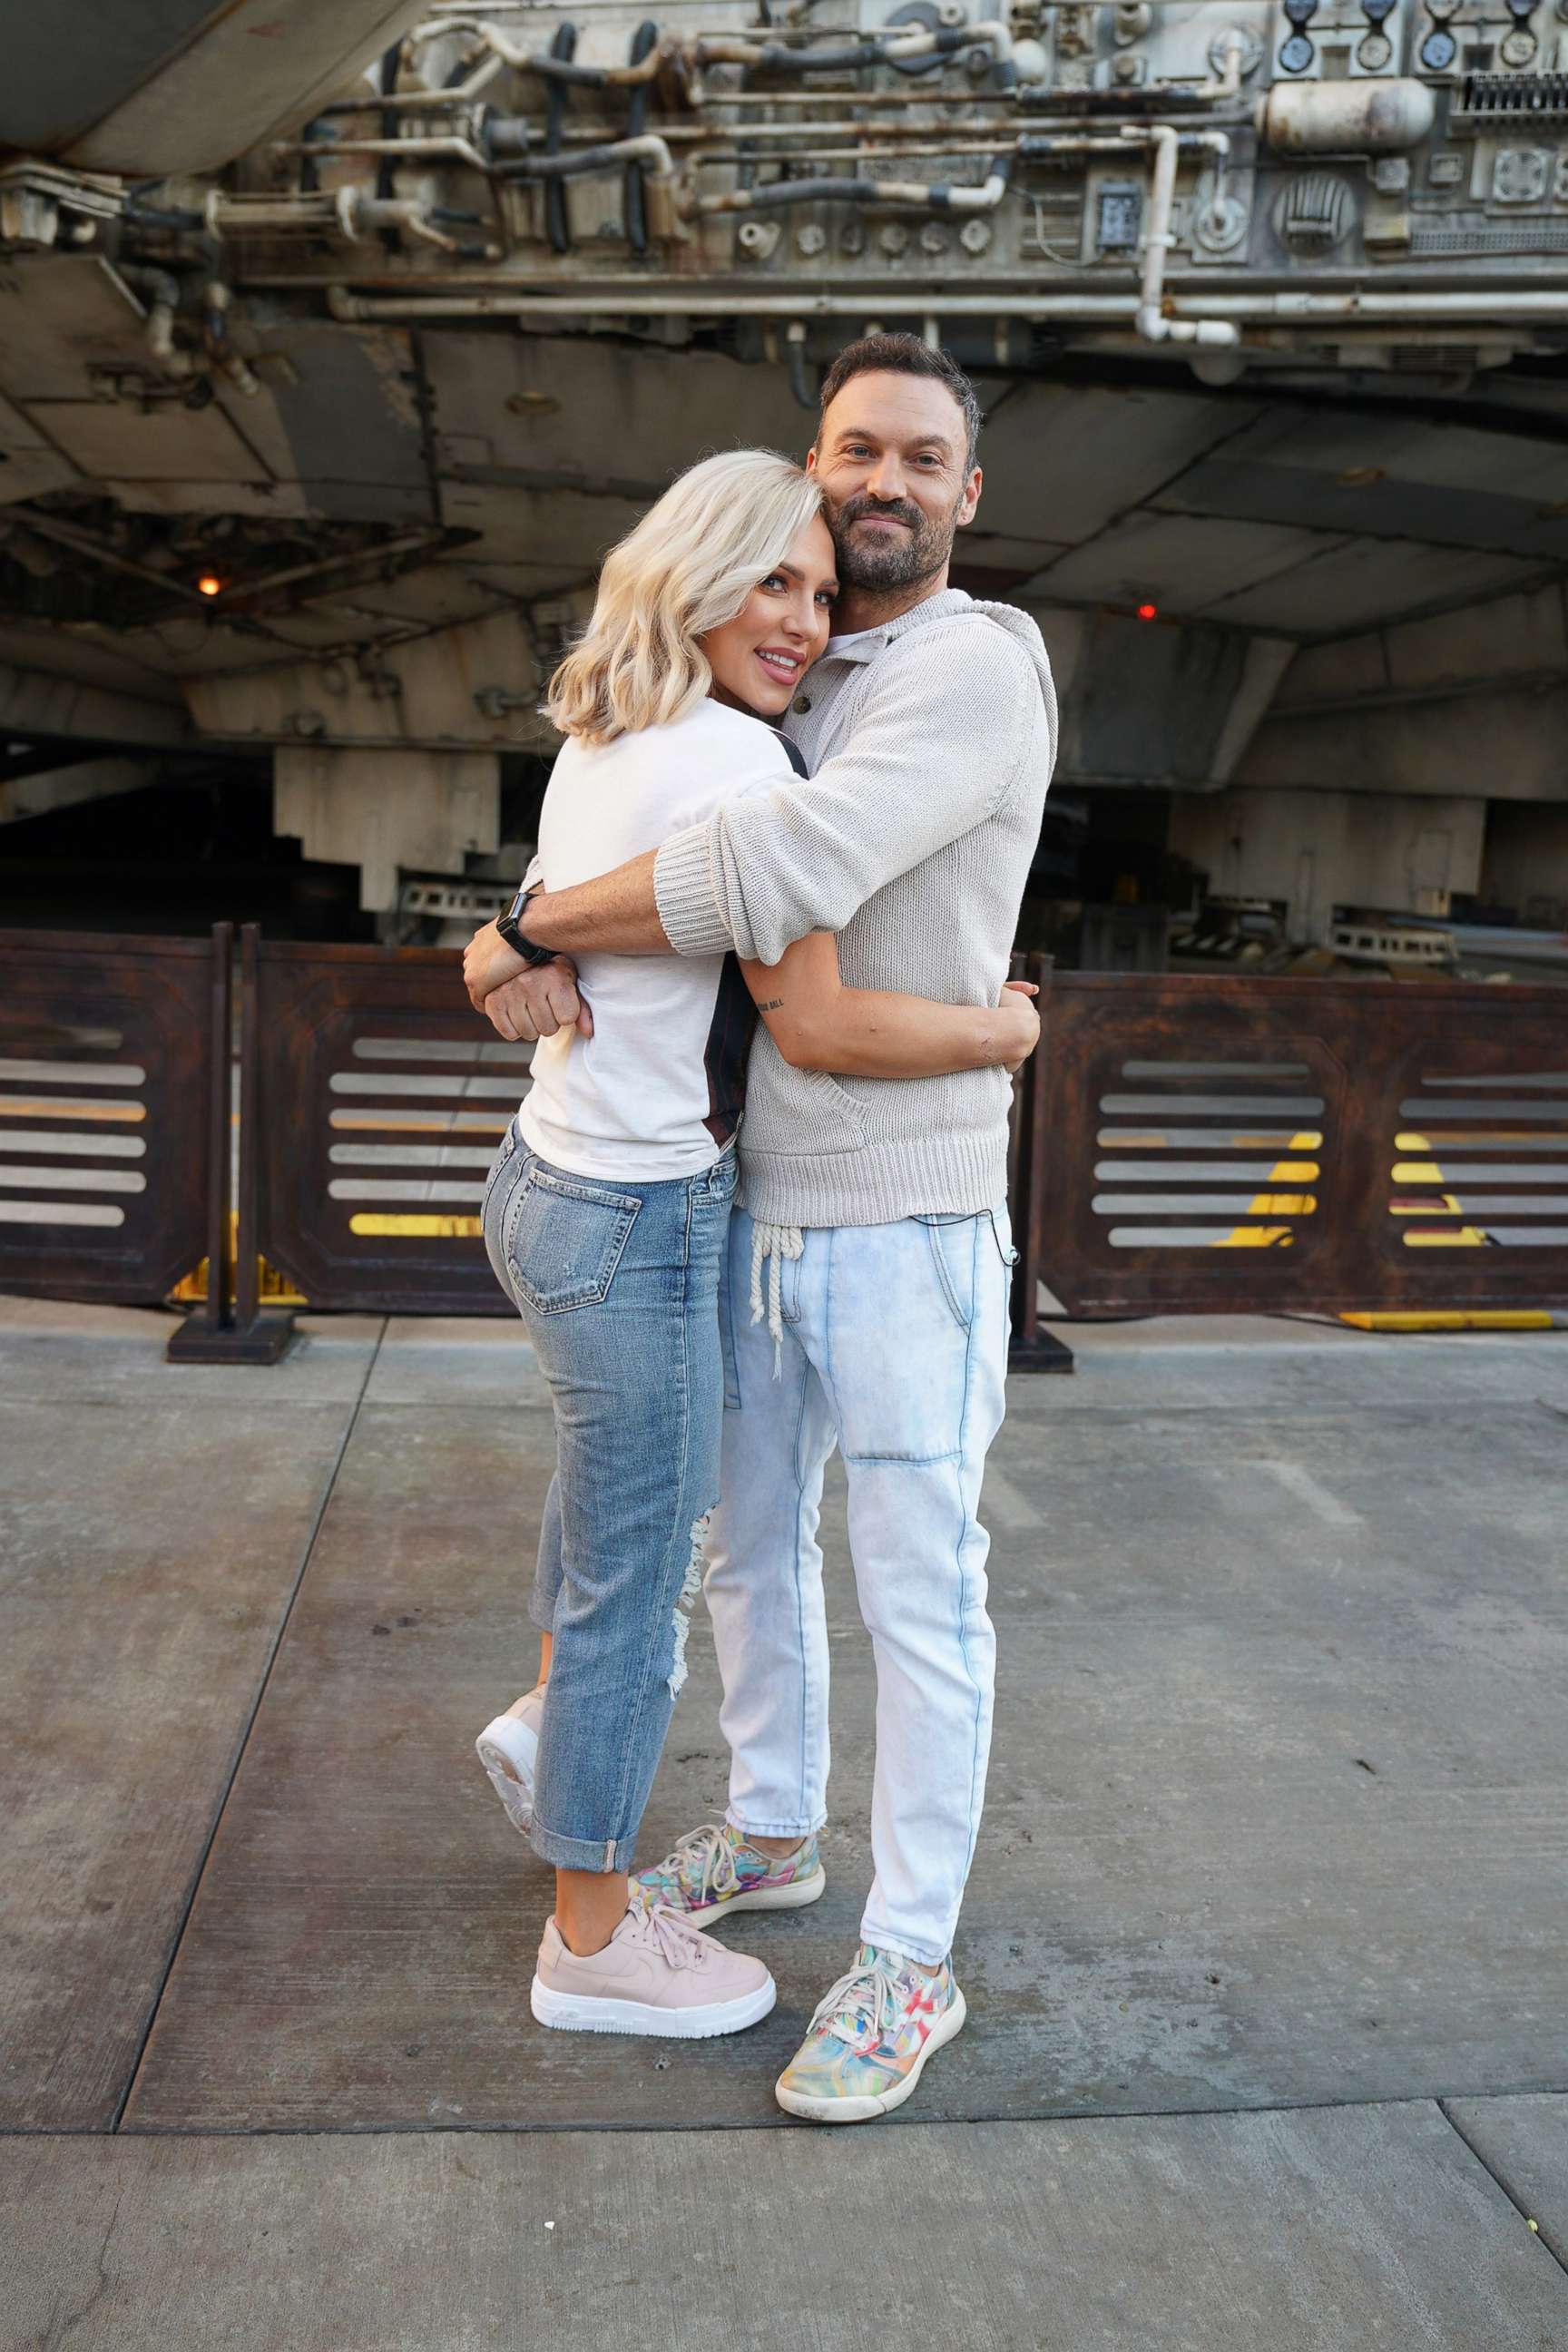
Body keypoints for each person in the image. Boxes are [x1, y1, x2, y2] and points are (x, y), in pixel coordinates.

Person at [466, 336, 1057, 2119]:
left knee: (918, 1589)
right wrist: (529, 929)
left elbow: (782, 887)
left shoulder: (972, 670)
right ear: (813, 470)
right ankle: (776, 1826)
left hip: (907, 1211)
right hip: (749, 1201)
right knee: (745, 1544)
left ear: (968, 491)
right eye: (853, 452)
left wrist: (522, 927)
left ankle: (912, 1959)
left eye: (919, 458)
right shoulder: (789, 682)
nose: (881, 485)